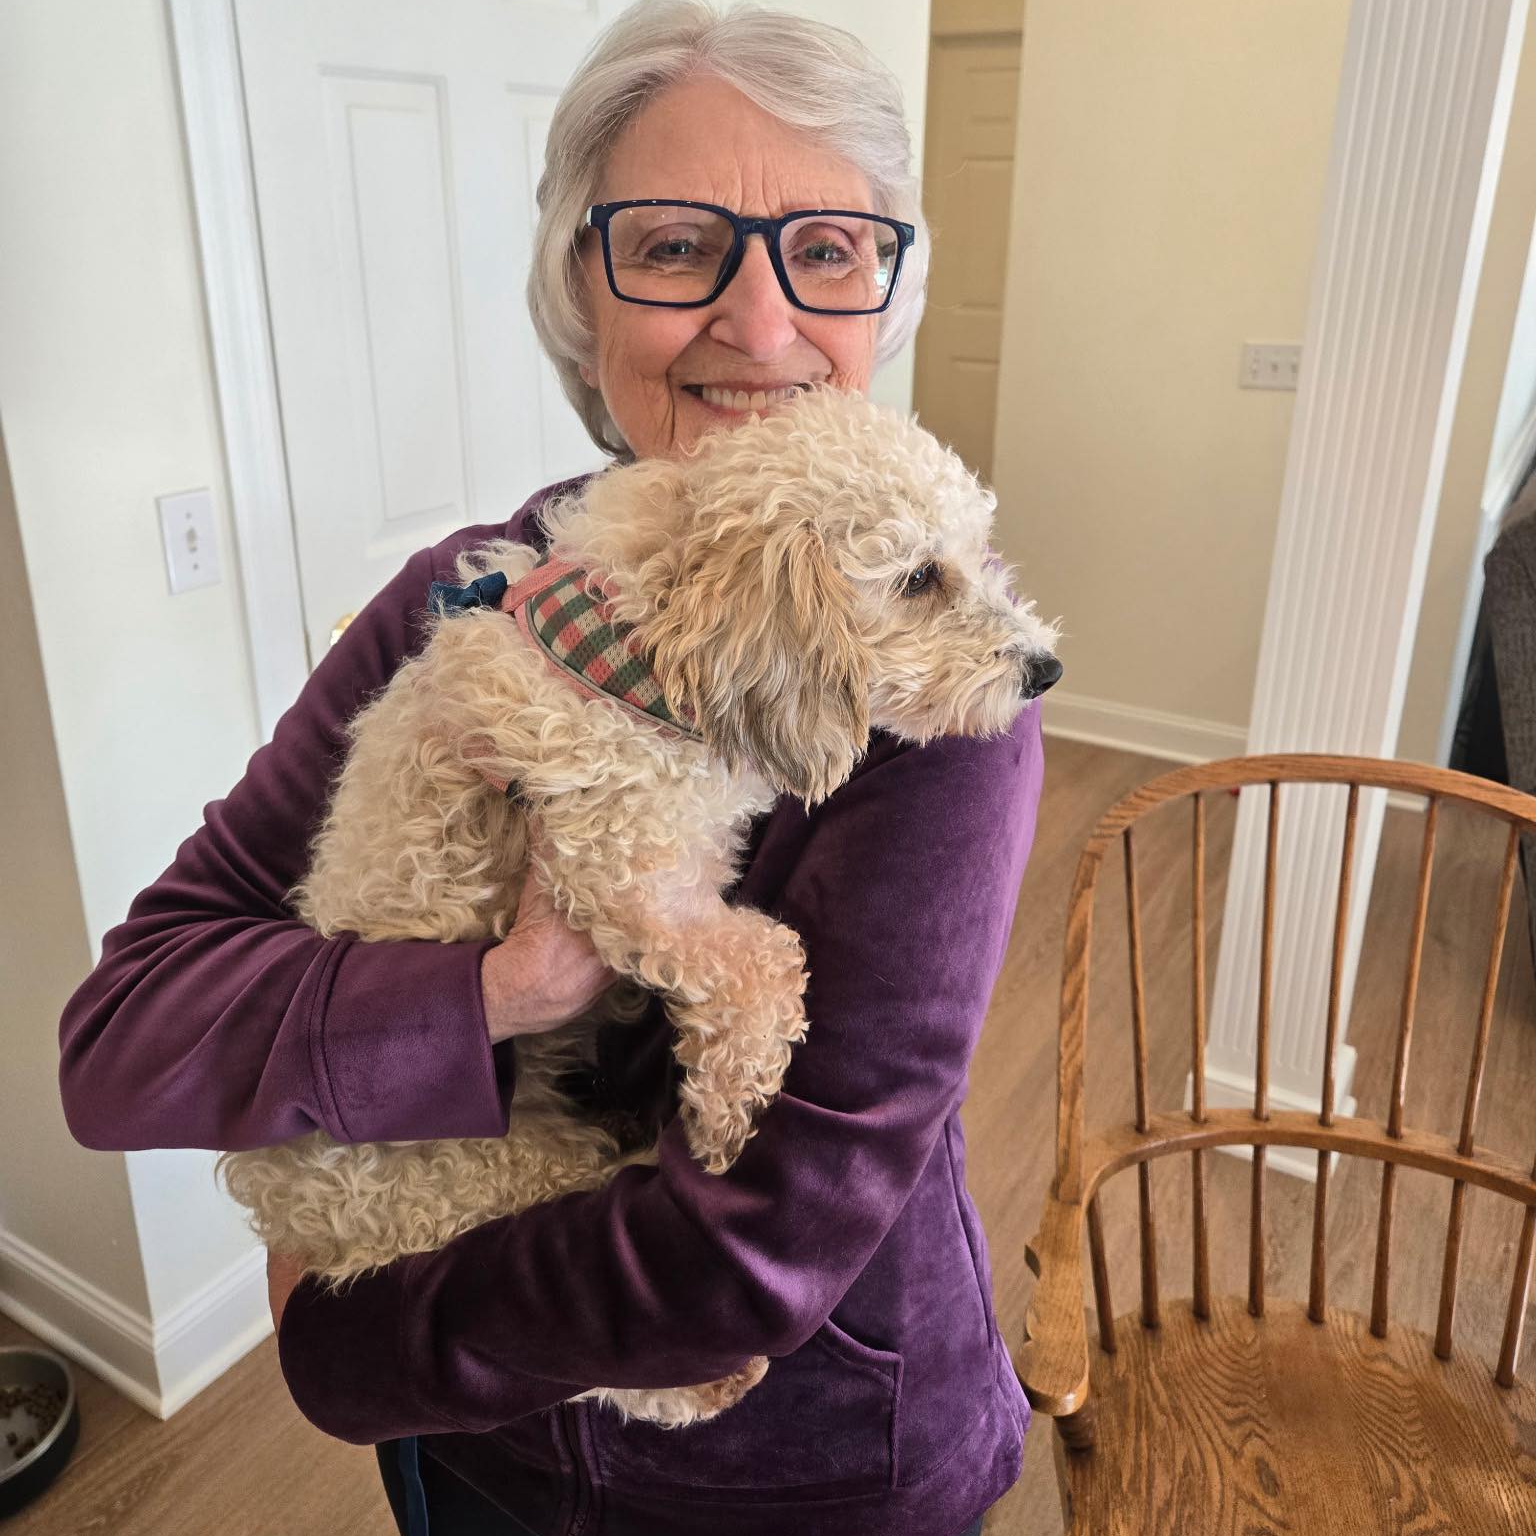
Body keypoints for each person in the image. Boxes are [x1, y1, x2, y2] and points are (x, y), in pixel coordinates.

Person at [57, 3, 1045, 1533]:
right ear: (581, 288)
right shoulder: (470, 595)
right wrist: (492, 994)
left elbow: (752, 1257)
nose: (761, 325)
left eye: (829, 249)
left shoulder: (937, 686)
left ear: (887, 292)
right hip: (480, 1459)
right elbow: (126, 1037)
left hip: (804, 1476)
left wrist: (345, 1339)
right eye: (675, 244)